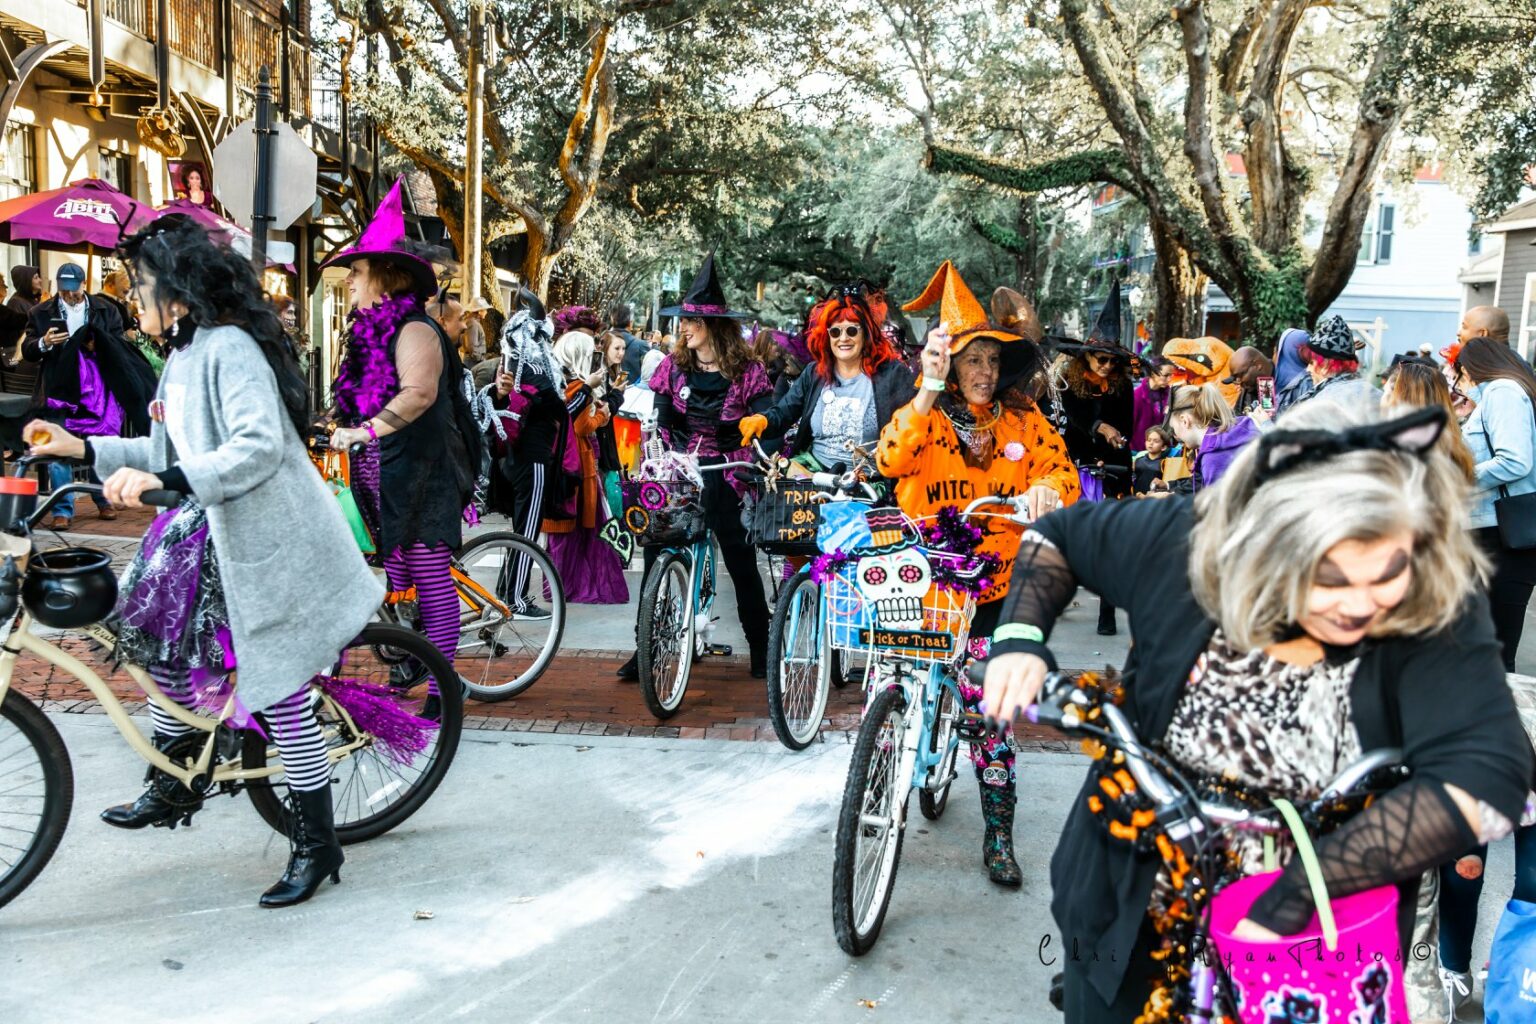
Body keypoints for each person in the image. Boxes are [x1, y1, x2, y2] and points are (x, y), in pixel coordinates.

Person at [980, 399, 1533, 1023]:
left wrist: (1301, 891)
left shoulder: (1428, 598)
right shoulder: (1189, 540)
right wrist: (1019, 639)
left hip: (1320, 940)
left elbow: (1491, 771)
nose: (1357, 605)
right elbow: (1058, 537)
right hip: (1132, 901)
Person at [25, 213, 384, 907]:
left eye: (141, 284)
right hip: (204, 535)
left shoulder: (229, 348)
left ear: (177, 289)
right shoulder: (183, 357)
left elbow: (257, 448)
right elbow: (163, 454)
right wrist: (81, 447)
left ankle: (318, 843)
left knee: (281, 695)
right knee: (160, 651)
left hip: (264, 543)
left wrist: (172, 479)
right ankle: (177, 777)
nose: (134, 297)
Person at [879, 260, 1080, 888]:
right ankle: (876, 791)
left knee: (989, 714)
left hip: (995, 586)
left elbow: (1063, 474)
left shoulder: (1023, 421)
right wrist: (928, 388)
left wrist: (1047, 490)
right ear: (951, 363)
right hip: (928, 582)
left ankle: (998, 834)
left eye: (993, 360)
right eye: (973, 359)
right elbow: (891, 458)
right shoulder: (927, 414)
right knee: (893, 688)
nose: (985, 371)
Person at [322, 178, 470, 687]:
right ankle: (411, 658)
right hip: (383, 477)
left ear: (386, 276)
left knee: (430, 580)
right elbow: (358, 399)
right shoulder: (365, 335)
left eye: (357, 271)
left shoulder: (416, 330)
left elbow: (418, 394)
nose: (349, 280)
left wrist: (363, 432)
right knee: (400, 577)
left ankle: (443, 688)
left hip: (422, 474)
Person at [616, 254, 773, 680]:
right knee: (657, 551)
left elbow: (768, 421)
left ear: (713, 326)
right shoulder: (673, 366)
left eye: (691, 320)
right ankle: (646, 647)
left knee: (741, 562)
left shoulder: (748, 371)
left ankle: (761, 650)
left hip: (729, 474)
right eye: (682, 319)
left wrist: (762, 450)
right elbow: (662, 421)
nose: (682, 327)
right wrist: (664, 459)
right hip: (681, 474)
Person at [24, 261, 158, 528]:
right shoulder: (40, 312)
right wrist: (44, 342)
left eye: (73, 288)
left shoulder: (106, 309)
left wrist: (99, 344)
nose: (69, 294)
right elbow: (28, 350)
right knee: (58, 446)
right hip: (59, 387)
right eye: (64, 289)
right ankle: (63, 508)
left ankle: (102, 497)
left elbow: (119, 345)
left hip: (98, 387)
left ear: (84, 285)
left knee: (101, 441)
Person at [739, 283, 911, 476]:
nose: (843, 338)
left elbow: (911, 425)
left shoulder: (892, 374)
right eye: (835, 332)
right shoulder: (815, 373)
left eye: (852, 330)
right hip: (814, 476)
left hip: (867, 481)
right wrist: (762, 420)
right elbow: (784, 412)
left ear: (866, 334)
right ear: (827, 336)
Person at [1449, 337, 1536, 671]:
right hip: (1497, 532)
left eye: (1459, 377)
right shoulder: (1503, 393)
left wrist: (1458, 479)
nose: (1459, 385)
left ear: (1471, 369)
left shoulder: (1502, 392)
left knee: (1494, 655)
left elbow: (1515, 461)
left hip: (1501, 536)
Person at [1046, 333, 1133, 634]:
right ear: (1087, 357)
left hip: (1112, 471)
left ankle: (1107, 613)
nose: (1107, 366)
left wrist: (1115, 444)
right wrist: (1100, 427)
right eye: (1102, 359)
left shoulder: (1123, 387)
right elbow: (1076, 418)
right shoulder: (1069, 384)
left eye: (1113, 361)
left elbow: (1126, 426)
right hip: (1078, 469)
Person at [542, 330, 628, 604]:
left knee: (570, 531)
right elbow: (581, 427)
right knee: (577, 530)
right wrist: (603, 413)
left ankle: (562, 585)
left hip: (569, 464)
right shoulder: (577, 386)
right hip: (577, 464)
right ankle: (569, 585)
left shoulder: (562, 384)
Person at [1166, 383, 1261, 491]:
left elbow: (1219, 501)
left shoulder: (1212, 460)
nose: (1175, 435)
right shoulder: (1243, 424)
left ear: (1185, 421)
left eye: (1174, 428)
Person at [1291, 314, 1380, 409]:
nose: (1308, 369)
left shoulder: (1321, 403)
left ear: (1325, 365)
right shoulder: (1375, 393)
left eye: (1311, 363)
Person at [1129, 355, 1172, 450]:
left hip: (1162, 450)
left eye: (1171, 375)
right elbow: (1129, 426)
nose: (1169, 379)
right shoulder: (1137, 396)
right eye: (1166, 375)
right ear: (1152, 373)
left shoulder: (1169, 395)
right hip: (1138, 451)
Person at [1223, 344, 1273, 412]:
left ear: (1258, 365)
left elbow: (1269, 414)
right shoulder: (1250, 387)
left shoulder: (1279, 383)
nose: (1239, 382)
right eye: (1235, 379)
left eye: (1241, 375)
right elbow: (1238, 415)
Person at [610, 302, 649, 384]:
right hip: (634, 390)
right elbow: (651, 371)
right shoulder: (640, 345)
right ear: (630, 323)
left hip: (606, 390)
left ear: (612, 320)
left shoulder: (602, 342)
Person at [1130, 424, 1172, 496]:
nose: (1151, 443)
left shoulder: (1165, 463)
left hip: (1154, 499)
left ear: (1163, 447)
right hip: (1136, 497)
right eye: (1148, 440)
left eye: (1156, 441)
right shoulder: (1138, 460)